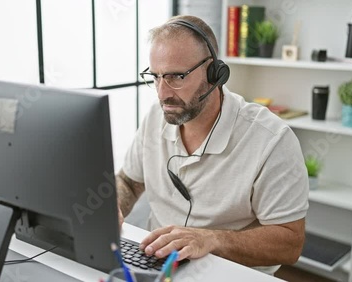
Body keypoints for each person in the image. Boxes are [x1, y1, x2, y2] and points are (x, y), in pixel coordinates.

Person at [116, 15, 309, 275]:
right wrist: (112, 210)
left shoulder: (272, 140)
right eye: (156, 77)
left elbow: (290, 243)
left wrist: (211, 240)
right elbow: (129, 181)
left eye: (176, 77)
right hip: (157, 268)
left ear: (214, 73)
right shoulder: (155, 117)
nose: (162, 93)